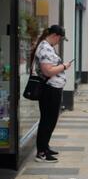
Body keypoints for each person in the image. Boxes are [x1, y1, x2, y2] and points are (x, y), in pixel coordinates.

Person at [31, 25, 71, 163]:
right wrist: (64, 66)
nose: (59, 41)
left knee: (49, 119)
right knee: (48, 120)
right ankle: (41, 152)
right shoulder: (45, 48)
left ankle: (45, 147)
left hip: (52, 88)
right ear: (55, 35)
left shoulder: (46, 46)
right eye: (59, 39)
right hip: (49, 89)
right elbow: (48, 71)